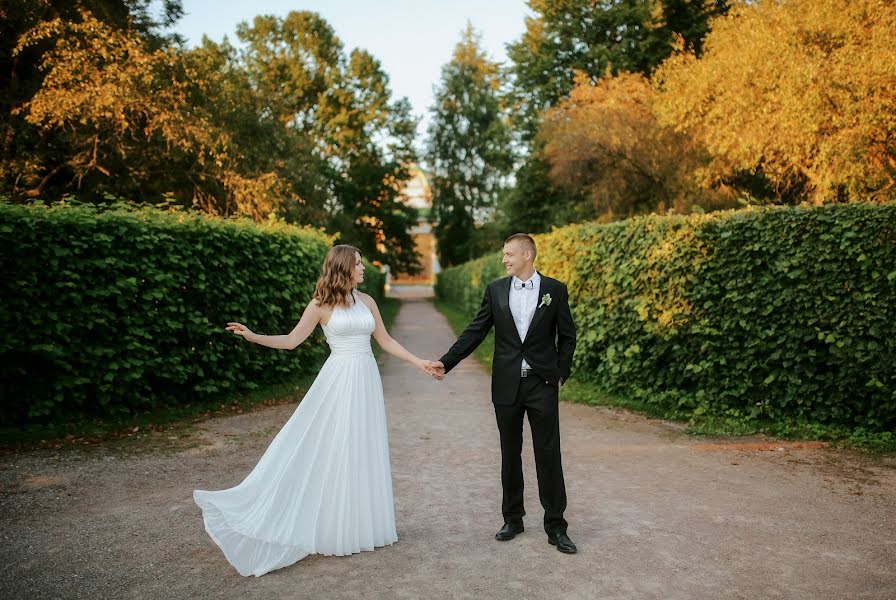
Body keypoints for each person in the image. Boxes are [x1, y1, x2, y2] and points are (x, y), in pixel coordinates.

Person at [193, 244, 434, 576]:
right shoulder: (320, 305)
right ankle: (334, 527)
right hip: (339, 381)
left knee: (362, 449)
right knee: (334, 449)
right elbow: (292, 340)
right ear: (342, 268)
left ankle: (365, 526)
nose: (363, 269)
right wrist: (254, 336)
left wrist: (419, 362)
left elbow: (386, 341)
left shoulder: (368, 302)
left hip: (366, 379)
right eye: (359, 264)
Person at [429, 233, 578, 554]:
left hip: (542, 385)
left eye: (509, 254)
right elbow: (476, 330)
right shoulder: (495, 290)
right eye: (504, 254)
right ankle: (513, 518)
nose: (504, 259)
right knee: (510, 453)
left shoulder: (555, 290)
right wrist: (446, 361)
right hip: (507, 384)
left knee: (548, 454)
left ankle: (556, 525)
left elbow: (568, 336)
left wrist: (561, 372)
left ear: (527, 255)